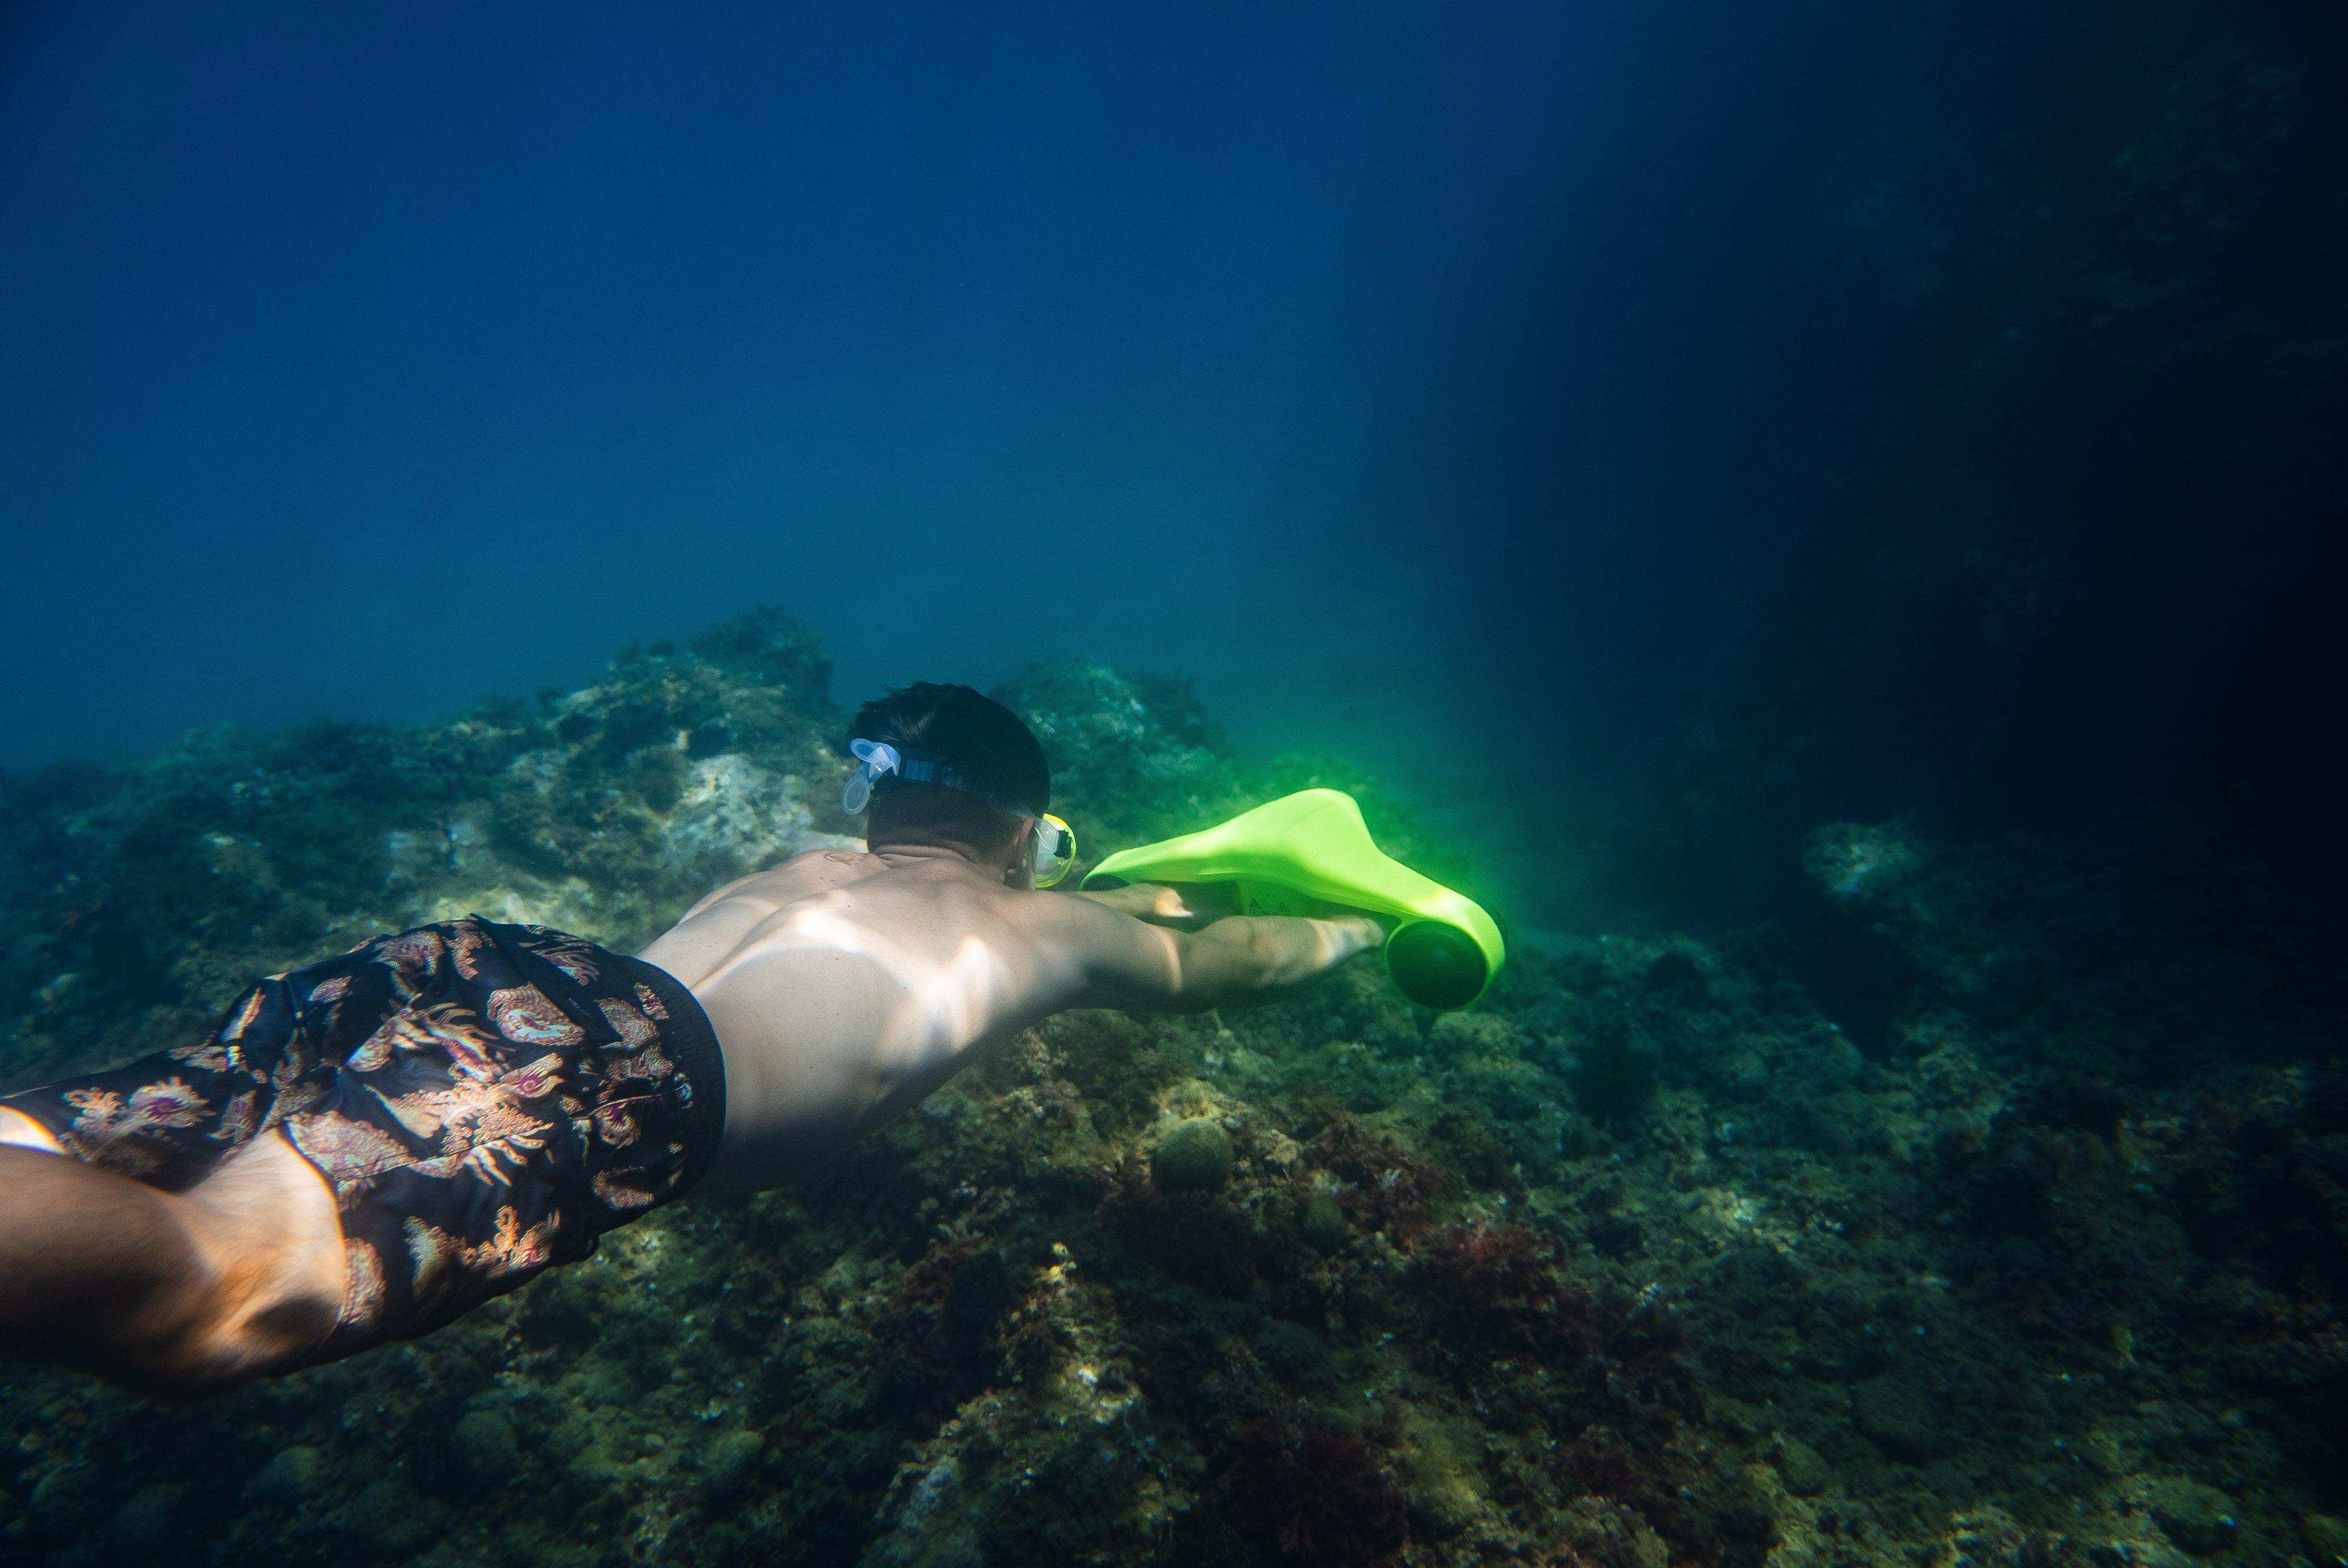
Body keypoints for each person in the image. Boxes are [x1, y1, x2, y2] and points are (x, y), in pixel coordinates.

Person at [0, 683, 1382, 1397]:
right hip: (608, 1077)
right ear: (1023, 838)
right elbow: (1226, 964)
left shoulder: (810, 867)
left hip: (484, 967)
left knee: (76, 1140)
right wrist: (1368, 928)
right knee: (205, 1296)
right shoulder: (1037, 928)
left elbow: (986, 890)